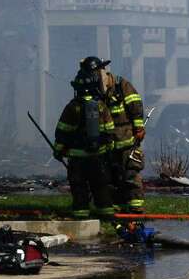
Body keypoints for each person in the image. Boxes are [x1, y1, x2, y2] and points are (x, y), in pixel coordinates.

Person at [76, 56, 147, 216]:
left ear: (102, 71)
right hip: (105, 143)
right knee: (108, 176)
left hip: (126, 140)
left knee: (130, 172)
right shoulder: (90, 90)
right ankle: (115, 206)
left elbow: (135, 104)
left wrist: (139, 127)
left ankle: (136, 207)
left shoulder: (121, 85)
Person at [52, 69, 117, 221]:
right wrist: (107, 150)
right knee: (100, 187)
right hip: (97, 158)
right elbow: (110, 131)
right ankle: (107, 216)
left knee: (79, 189)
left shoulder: (72, 107)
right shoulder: (101, 106)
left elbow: (63, 131)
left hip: (77, 159)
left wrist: (58, 151)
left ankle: (81, 217)